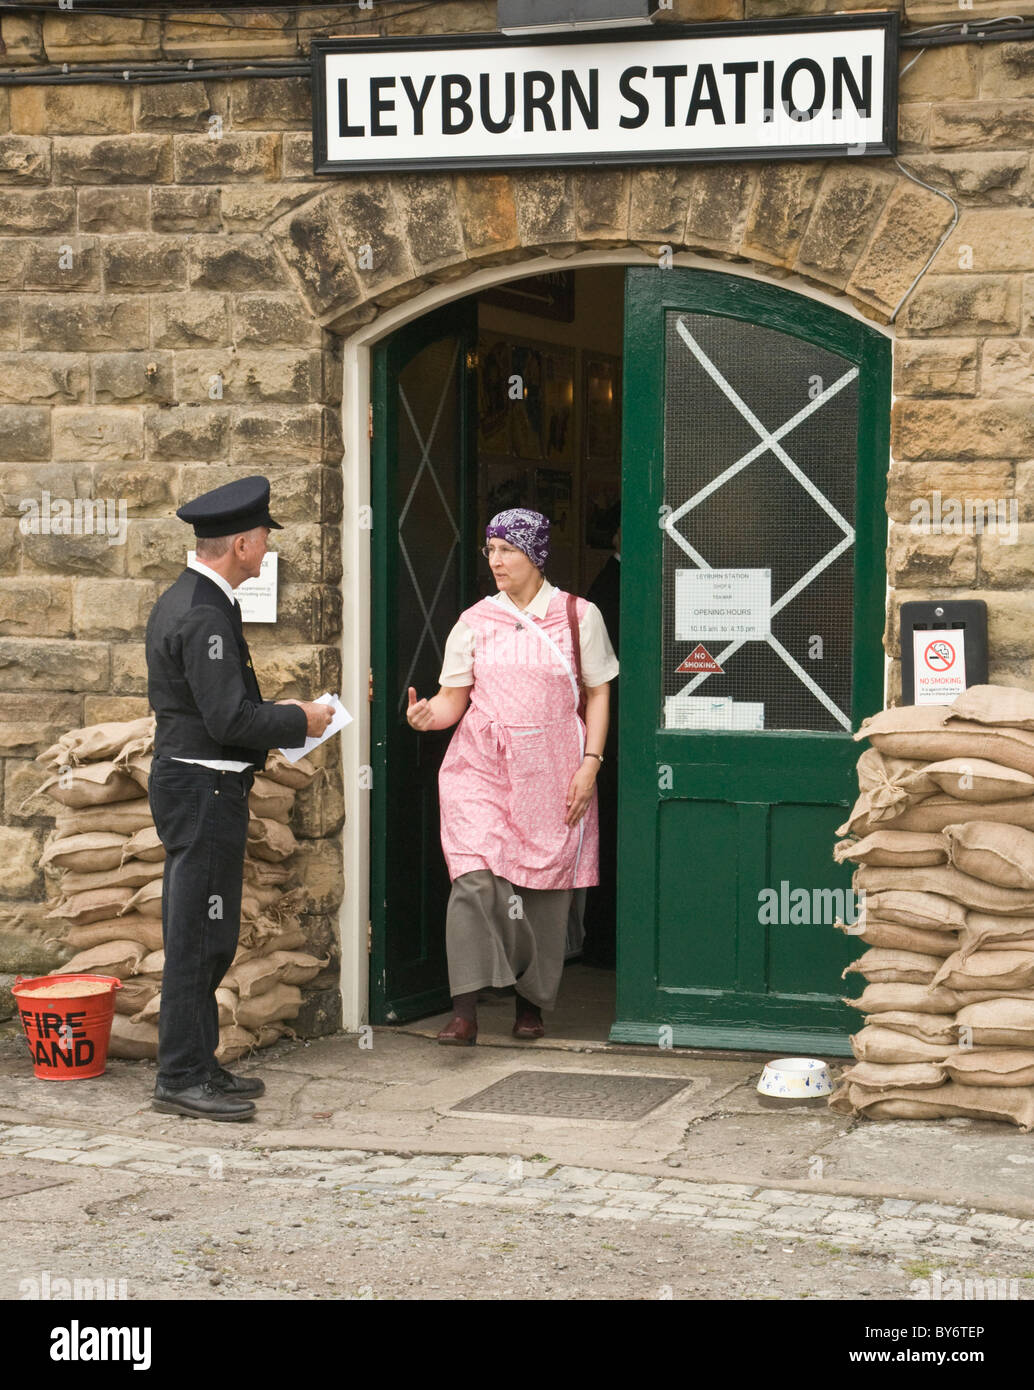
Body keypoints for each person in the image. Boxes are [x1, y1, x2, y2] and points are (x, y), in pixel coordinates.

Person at [145, 475, 333, 1121]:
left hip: (206, 784)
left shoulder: (197, 599)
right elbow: (228, 719)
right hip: (201, 786)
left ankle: (198, 1065)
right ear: (245, 543)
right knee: (197, 937)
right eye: (261, 541)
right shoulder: (203, 612)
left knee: (212, 933)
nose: (263, 553)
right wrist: (299, 720)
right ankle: (179, 1077)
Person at [407, 508, 619, 1044]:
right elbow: (453, 699)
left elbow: (598, 692)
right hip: (480, 765)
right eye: (491, 550)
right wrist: (426, 716)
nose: (496, 561)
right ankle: (466, 1011)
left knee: (543, 889)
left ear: (536, 555)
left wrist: (590, 765)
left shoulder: (578, 615)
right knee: (474, 878)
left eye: (507, 550)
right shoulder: (475, 620)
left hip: (554, 764)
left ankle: (531, 1004)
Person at [582, 510, 621, 968]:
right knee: (609, 827)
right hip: (611, 727)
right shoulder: (606, 589)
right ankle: (603, 944)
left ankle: (603, 943)